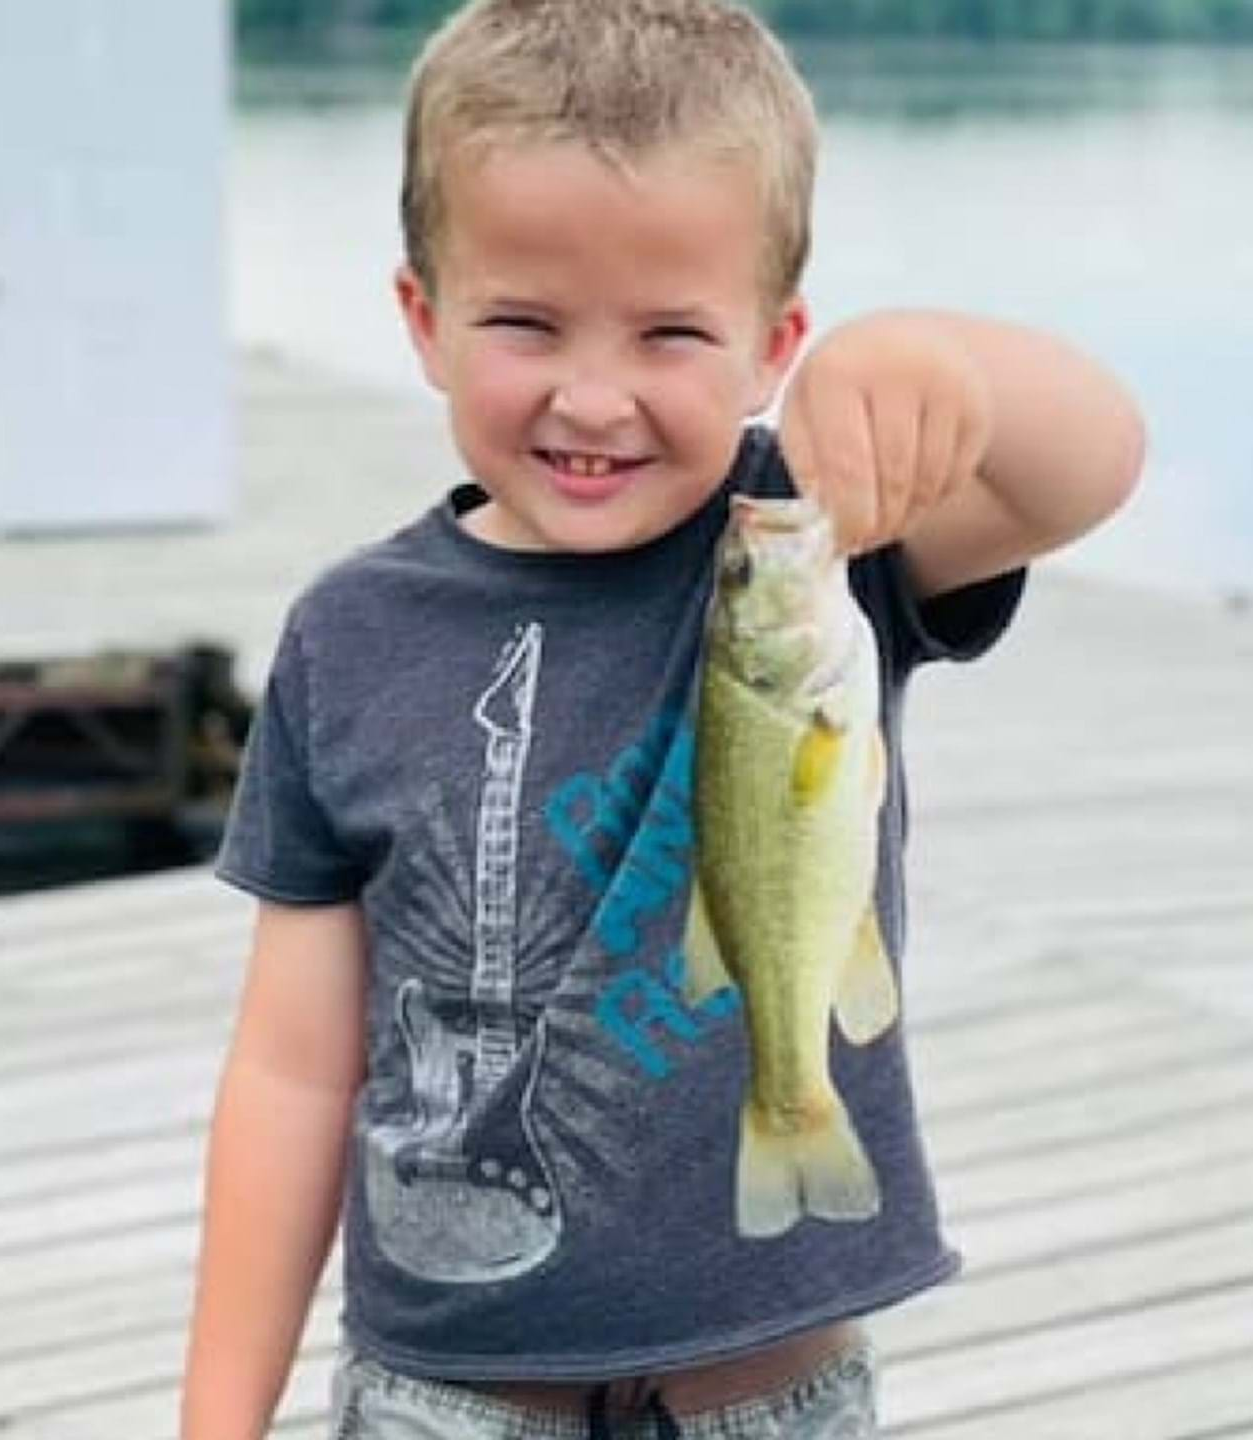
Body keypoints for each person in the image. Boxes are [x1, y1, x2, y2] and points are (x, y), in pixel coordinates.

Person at [181, 1, 1143, 1436]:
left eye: (672, 334)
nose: (593, 394)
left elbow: (1089, 465)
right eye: (522, 322)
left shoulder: (819, 549)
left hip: (772, 1388)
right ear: (422, 321)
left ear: (774, 345)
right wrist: (216, 1416)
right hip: (444, 1400)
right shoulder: (348, 635)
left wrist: (949, 366)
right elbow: (290, 1067)